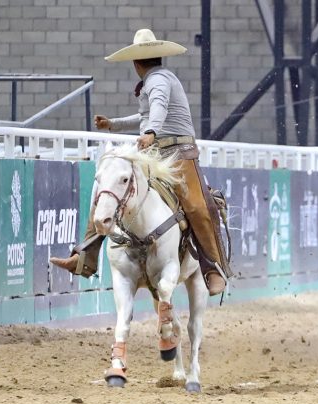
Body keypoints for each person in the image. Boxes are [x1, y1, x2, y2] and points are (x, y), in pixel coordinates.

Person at [50, 29, 233, 296]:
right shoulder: (157, 80)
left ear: (136, 63)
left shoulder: (157, 81)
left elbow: (155, 112)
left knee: (196, 204)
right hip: (156, 151)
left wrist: (151, 133)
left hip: (177, 153)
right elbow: (145, 115)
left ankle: (212, 267)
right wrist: (115, 124)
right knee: (110, 187)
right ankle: (85, 255)